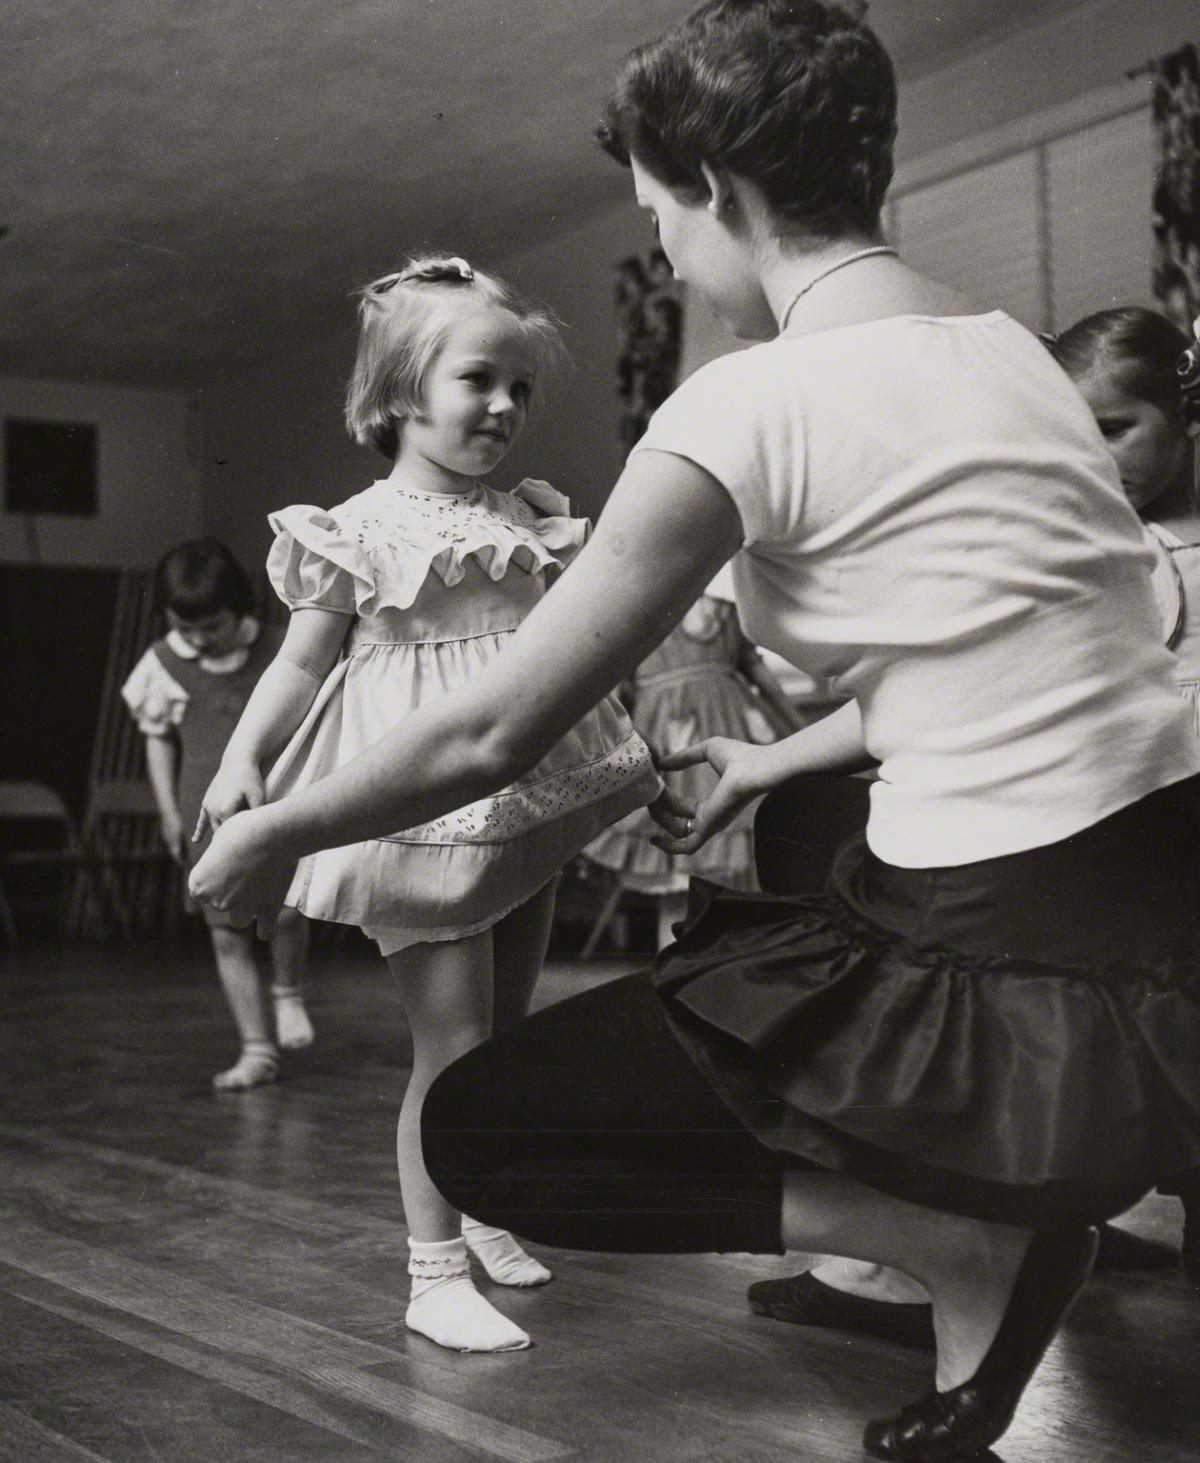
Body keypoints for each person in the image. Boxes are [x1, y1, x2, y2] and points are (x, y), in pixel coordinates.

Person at [189, 4, 1200, 1457]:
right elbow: (1037, 651)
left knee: (485, 1128)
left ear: (718, 192)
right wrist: (772, 757)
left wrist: (273, 825)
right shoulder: (1011, 352)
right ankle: (986, 1270)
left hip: (1005, 928)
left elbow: (490, 734)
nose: (663, 248)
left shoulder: (750, 399)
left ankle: (962, 1230)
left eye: (658, 211)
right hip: (1161, 903)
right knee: (792, 842)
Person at [195, 255, 660, 1355]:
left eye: (520, 387)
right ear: (402, 391)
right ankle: (431, 1268)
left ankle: (485, 1207)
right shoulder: (356, 529)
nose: (504, 406)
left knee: (501, 1038)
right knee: (449, 1048)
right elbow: (299, 670)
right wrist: (243, 760)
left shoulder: (530, 519)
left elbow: (559, 664)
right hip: (417, 815)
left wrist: (635, 768)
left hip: (522, 801)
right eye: (476, 380)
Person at [121, 539, 313, 1092]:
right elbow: (156, 740)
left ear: (242, 609)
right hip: (203, 811)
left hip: (275, 801)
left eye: (214, 625)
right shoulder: (162, 663)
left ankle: (289, 991)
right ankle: (256, 1049)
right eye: (188, 627)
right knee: (225, 930)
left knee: (291, 908)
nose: (201, 638)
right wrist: (166, 813)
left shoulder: (283, 651)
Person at [584, 567, 803, 947]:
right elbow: (617, 686)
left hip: (720, 724)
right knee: (682, 854)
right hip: (675, 731)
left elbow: (753, 666)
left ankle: (724, 965)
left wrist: (797, 725)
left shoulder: (716, 603)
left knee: (729, 852)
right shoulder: (640, 608)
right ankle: (682, 965)